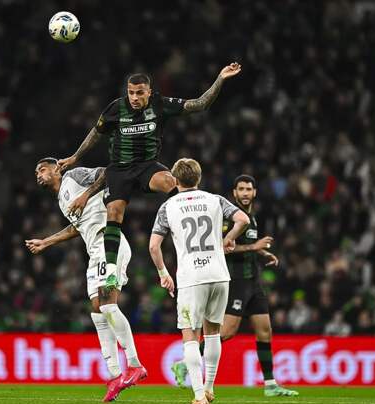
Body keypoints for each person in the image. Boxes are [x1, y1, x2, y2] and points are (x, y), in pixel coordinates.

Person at [58, 63, 242, 292]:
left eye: (139, 93)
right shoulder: (116, 108)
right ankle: (112, 272)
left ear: (149, 92)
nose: (134, 98)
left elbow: (200, 104)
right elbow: (96, 132)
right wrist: (75, 157)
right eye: (131, 93)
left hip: (146, 166)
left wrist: (221, 78)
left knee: (170, 181)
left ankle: (189, 221)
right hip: (119, 169)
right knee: (114, 212)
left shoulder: (160, 104)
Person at [25, 158, 146, 402]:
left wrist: (85, 195)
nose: (38, 174)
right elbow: (76, 228)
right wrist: (46, 242)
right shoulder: (62, 200)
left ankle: (135, 365)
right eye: (36, 171)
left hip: (108, 241)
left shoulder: (74, 176)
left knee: (108, 305)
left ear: (57, 169)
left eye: (42, 169)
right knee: (97, 311)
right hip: (95, 250)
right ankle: (115, 375)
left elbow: (107, 172)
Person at [171, 175, 299, 396]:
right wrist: (254, 247)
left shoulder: (251, 217)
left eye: (249, 189)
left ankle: (270, 384)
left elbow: (247, 244)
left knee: (265, 330)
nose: (245, 193)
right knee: (227, 331)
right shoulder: (228, 218)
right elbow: (221, 247)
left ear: (254, 192)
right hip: (235, 280)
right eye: (241, 189)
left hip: (253, 281)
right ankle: (185, 363)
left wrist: (262, 252)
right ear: (234, 192)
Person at [148, 158, 249, 404]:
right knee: (212, 332)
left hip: (192, 277)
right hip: (219, 275)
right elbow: (243, 219)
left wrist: (163, 273)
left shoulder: (168, 206)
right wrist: (228, 238)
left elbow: (153, 246)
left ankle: (199, 396)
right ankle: (209, 387)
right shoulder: (215, 200)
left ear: (175, 180)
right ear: (199, 178)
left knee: (190, 335)